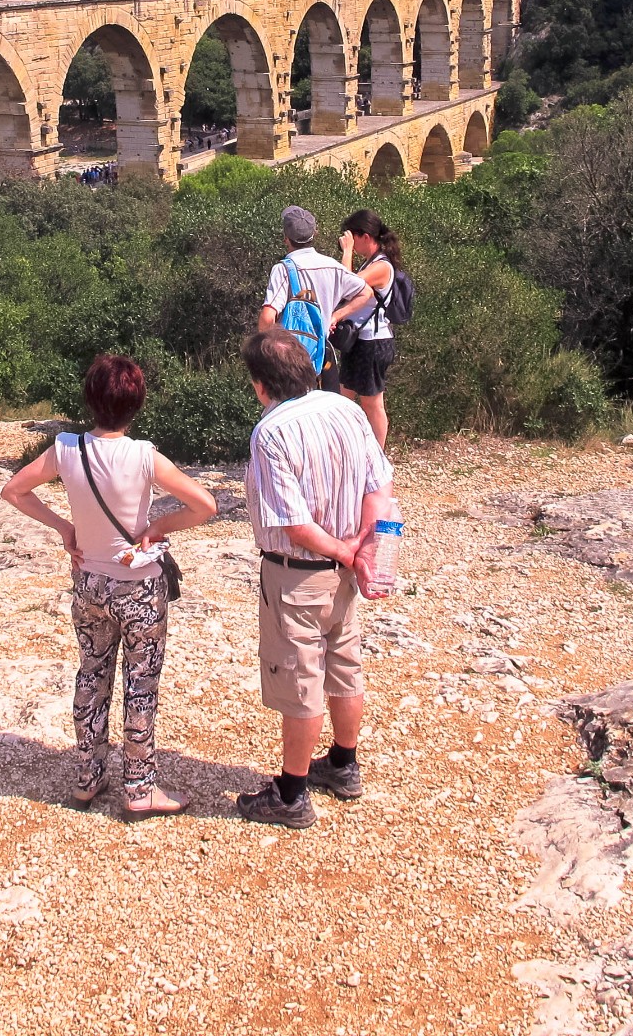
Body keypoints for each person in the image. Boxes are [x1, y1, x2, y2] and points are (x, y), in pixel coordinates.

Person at [1, 355, 218, 817]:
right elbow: (205, 504)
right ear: (135, 404)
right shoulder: (143, 455)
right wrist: (157, 528)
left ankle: (88, 777)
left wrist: (64, 527)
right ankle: (139, 789)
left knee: (91, 674)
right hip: (138, 588)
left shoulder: (66, 449)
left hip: (90, 584)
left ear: (90, 400)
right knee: (140, 686)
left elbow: (14, 491)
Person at [234, 328, 393, 829]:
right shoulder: (346, 409)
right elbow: (380, 485)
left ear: (262, 384)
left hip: (297, 576)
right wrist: (363, 550)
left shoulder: (271, 432)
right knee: (345, 665)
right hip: (345, 573)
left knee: (301, 678)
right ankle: (344, 765)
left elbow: (294, 524)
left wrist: (346, 550)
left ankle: (291, 793)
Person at [257, 205, 372, 395]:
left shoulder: (284, 269)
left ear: (286, 238)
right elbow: (365, 292)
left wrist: (267, 351)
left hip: (290, 359)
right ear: (315, 234)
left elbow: (268, 317)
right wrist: (335, 316)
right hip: (322, 355)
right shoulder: (332, 267)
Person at [337, 209, 403, 448]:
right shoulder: (370, 262)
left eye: (354, 239)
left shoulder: (382, 266)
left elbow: (347, 285)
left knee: (372, 403)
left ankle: (378, 455)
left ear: (365, 236)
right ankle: (348, 450)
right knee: (344, 397)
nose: (353, 245)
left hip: (374, 342)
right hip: (358, 341)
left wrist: (346, 252)